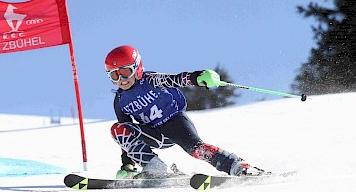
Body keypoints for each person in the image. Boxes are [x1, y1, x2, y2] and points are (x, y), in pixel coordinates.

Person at [105, 45, 264, 179]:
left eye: (125, 72)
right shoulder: (120, 100)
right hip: (153, 134)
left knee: (196, 149)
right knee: (117, 129)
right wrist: (127, 163)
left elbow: (175, 79)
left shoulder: (150, 80)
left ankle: (239, 166)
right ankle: (154, 167)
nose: (121, 79)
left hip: (175, 123)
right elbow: (125, 135)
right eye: (114, 75)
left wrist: (196, 77)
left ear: (137, 68)